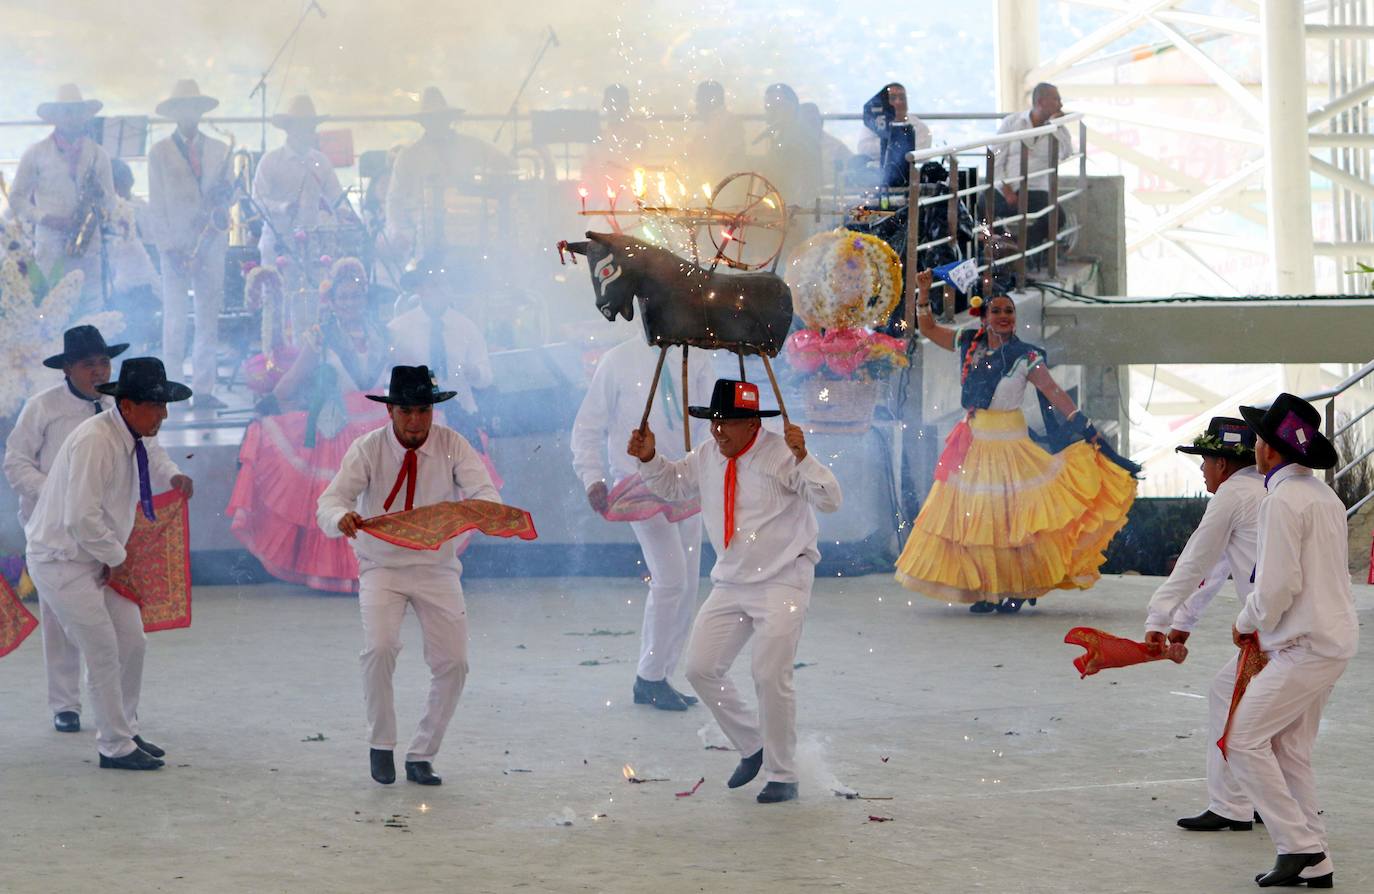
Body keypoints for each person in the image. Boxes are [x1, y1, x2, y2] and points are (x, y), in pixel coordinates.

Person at [629, 379, 842, 803]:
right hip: (731, 581)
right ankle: (754, 745)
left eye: (727, 423)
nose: (717, 431)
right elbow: (672, 485)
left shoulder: (783, 453)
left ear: (751, 424)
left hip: (784, 579)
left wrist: (805, 457)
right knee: (699, 669)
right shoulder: (708, 454)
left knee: (769, 675)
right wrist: (650, 457)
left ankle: (783, 775)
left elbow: (830, 499)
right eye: (714, 421)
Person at [894, 270, 1137, 611]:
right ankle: (988, 591)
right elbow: (931, 331)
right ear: (984, 315)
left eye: (1009, 311)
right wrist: (922, 293)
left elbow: (1053, 391)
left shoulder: (1026, 357)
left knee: (1015, 523)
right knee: (978, 522)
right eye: (997, 311)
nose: (1005, 316)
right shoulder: (969, 342)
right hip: (975, 444)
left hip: (1012, 447)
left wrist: (1086, 427)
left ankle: (1018, 589)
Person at [316, 365, 500, 787]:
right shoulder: (367, 449)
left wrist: (478, 510)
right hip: (381, 566)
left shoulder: (454, 445)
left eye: (422, 411)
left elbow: (486, 494)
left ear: (432, 410)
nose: (415, 421)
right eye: (406, 412)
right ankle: (381, 744)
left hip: (437, 568)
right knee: (380, 648)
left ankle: (422, 754)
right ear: (391, 412)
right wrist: (341, 517)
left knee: (454, 664)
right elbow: (330, 500)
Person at [23, 357, 194, 770]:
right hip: (60, 559)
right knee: (101, 648)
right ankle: (114, 746)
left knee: (132, 640)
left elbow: (147, 467)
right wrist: (118, 559)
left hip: (96, 556)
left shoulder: (131, 432)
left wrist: (114, 556)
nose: (164, 414)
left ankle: (126, 729)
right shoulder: (96, 440)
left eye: (165, 404)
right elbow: (80, 518)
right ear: (129, 405)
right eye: (157, 405)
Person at [1224, 393, 1356, 888]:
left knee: (1243, 741)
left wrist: (1246, 619)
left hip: (1306, 645)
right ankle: (1316, 860)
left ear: (1269, 451)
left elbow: (1277, 586)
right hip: (1330, 639)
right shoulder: (1324, 496)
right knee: (1289, 749)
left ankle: (1297, 845)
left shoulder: (1282, 500)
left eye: (1257, 439)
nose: (1254, 447)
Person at [227, 258, 390, 592]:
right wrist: (271, 403)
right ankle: (344, 573)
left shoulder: (381, 333)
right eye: (343, 298)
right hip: (340, 428)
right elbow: (293, 380)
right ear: (331, 301)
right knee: (343, 499)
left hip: (378, 425)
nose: (349, 304)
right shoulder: (321, 337)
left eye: (355, 297)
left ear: (364, 298)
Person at [571, 337, 714, 711]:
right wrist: (592, 477)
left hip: (687, 479)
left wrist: (705, 468)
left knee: (687, 582)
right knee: (671, 578)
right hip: (638, 482)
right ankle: (649, 677)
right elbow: (588, 425)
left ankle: (662, 674)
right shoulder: (617, 359)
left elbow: (709, 421)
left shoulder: (696, 356)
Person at [1141, 417, 1266, 833]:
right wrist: (1183, 623)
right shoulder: (1270, 489)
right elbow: (1218, 568)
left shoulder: (1231, 495)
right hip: (1302, 626)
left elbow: (1196, 560)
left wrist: (1160, 619)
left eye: (1205, 460)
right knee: (1270, 714)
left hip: (1272, 632)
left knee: (1228, 697)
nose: (1201, 470)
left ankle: (1233, 806)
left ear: (1223, 464)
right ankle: (1269, 799)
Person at [3, 326, 127, 733]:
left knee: (108, 615)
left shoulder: (116, 407)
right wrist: (54, 494)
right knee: (59, 616)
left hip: (101, 525)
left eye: (104, 362)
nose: (99, 370)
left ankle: (115, 707)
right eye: (89, 364)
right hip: (50, 528)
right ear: (68, 369)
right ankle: (65, 704)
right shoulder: (42, 407)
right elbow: (15, 463)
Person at [147, 79, 231, 408]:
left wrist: (224, 199)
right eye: (183, 108)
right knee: (176, 319)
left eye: (194, 107)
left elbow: (227, 197)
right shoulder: (159, 152)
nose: (189, 113)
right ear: (175, 113)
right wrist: (171, 248)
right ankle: (173, 389)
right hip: (177, 247)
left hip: (210, 242)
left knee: (209, 317)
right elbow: (156, 207)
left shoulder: (220, 149)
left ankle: (205, 389)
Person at [8, 84, 116, 307]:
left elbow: (111, 202)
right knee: (51, 310)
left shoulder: (99, 155)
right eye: (66, 111)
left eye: (76, 111)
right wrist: (44, 218)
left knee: (91, 309)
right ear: (55, 117)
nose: (71, 117)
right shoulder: (35, 153)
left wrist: (99, 200)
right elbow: (16, 198)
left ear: (84, 116)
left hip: (88, 246)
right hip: (51, 246)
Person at [384, 87, 512, 264]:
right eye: (432, 119)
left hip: (472, 232)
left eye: (440, 118)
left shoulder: (471, 146)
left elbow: (505, 162)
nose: (437, 123)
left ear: (449, 119)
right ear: (424, 122)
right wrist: (398, 232)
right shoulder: (409, 156)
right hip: (427, 235)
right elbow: (394, 200)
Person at [250, 94, 348, 272]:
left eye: (311, 126)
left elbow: (337, 197)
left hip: (313, 247)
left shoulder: (321, 162)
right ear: (289, 128)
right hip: (278, 244)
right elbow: (257, 202)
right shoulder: (270, 161)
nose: (308, 131)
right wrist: (283, 207)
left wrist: (343, 214)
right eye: (303, 125)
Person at [992, 82, 1071, 252]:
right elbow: (996, 158)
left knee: (1057, 217)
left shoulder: (1057, 128)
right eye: (1056, 100)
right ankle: (998, 244)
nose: (1061, 104)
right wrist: (1005, 188)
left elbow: (1066, 153)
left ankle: (1018, 244)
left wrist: (1057, 126)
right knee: (982, 204)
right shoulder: (1012, 123)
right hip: (1009, 187)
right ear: (1041, 102)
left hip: (1036, 190)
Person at [107, 159, 161, 356]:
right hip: (112, 275)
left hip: (138, 275)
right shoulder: (105, 208)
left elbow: (152, 244)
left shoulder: (140, 206)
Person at [859, 83, 932, 188]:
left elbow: (921, 153)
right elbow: (863, 148)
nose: (898, 102)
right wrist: (892, 144)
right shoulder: (873, 125)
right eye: (893, 98)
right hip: (877, 176)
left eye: (902, 98)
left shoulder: (920, 127)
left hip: (913, 178)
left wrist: (891, 148)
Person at [688, 81, 745, 187]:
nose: (696, 105)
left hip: (721, 186)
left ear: (710, 100)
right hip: (710, 183)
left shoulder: (728, 121)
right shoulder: (709, 123)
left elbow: (732, 157)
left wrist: (712, 176)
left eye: (699, 101)